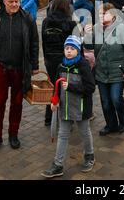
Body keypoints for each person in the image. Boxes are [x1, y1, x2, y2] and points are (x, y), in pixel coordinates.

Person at [0, 0, 39, 153]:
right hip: (1, 68)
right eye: (11, 2)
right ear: (4, 2)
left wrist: (34, 65)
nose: (14, 4)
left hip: (20, 68)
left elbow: (34, 42)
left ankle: (13, 134)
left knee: (17, 103)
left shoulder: (27, 18)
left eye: (17, 1)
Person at [41, 36, 96, 179]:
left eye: (72, 49)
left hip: (81, 108)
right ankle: (58, 165)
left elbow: (90, 87)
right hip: (65, 107)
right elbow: (57, 85)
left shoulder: (83, 66)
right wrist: (54, 100)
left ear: (78, 51)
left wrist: (71, 86)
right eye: (67, 48)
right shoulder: (61, 66)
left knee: (85, 132)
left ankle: (89, 155)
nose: (69, 51)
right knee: (63, 134)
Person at [91, 3, 124, 136]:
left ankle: (123, 121)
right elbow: (88, 46)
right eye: (100, 13)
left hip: (117, 72)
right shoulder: (96, 28)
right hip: (101, 72)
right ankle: (111, 125)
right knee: (105, 102)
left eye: (104, 13)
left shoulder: (122, 29)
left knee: (116, 98)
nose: (101, 15)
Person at [42, 0, 77, 126]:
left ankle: (48, 117)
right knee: (65, 88)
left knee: (53, 86)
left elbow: (44, 41)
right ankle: (65, 117)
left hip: (50, 59)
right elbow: (73, 45)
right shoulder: (69, 23)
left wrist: (45, 57)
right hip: (65, 59)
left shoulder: (46, 22)